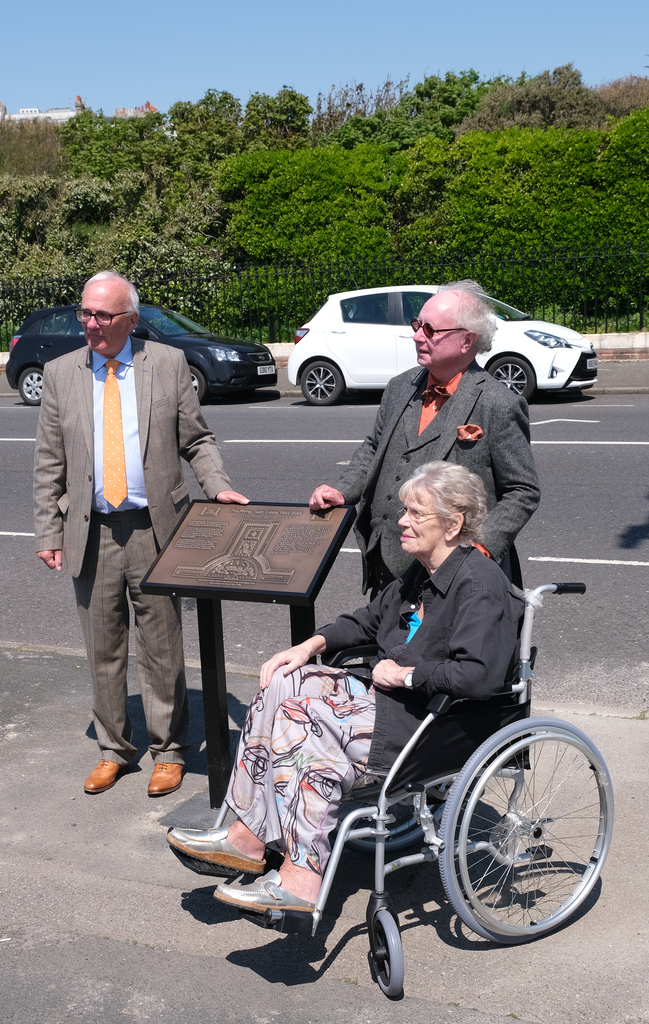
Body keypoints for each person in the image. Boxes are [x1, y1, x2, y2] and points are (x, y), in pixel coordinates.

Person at [167, 461, 524, 915]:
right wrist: (308, 646)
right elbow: (369, 620)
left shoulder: (479, 584)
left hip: (428, 722)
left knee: (303, 723)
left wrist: (406, 675)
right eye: (404, 510)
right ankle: (247, 837)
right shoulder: (423, 572)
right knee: (284, 681)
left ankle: (302, 879)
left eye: (416, 513)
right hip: (389, 704)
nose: (402, 521)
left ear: (453, 525)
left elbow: (479, 676)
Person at [33, 270, 248, 797]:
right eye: (85, 312)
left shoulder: (168, 365)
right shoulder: (62, 373)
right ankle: (113, 749)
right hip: (92, 529)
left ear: (131, 319)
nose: (91, 323)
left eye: (103, 315)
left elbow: (197, 439)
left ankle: (168, 750)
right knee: (101, 645)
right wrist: (48, 531)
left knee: (161, 644)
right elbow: (48, 462)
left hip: (157, 529)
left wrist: (218, 487)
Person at [309, 281, 540, 595]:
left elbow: (522, 491)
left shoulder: (498, 404)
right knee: (385, 642)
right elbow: (374, 448)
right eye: (417, 325)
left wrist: (480, 549)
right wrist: (342, 490)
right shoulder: (398, 388)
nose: (417, 336)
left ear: (466, 340)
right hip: (385, 561)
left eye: (430, 330)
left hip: (455, 575)